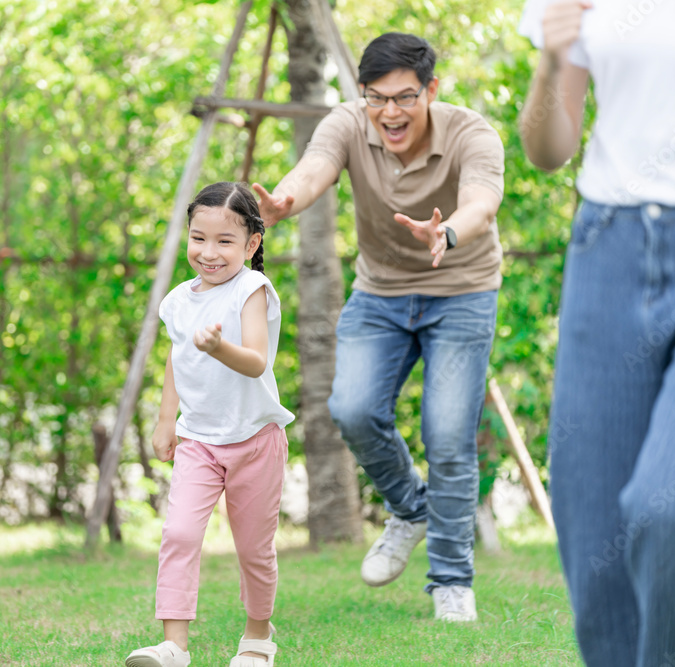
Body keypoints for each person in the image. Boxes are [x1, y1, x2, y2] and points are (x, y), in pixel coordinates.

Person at [253, 32, 505, 622]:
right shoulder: (348, 123)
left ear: (431, 91)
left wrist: (447, 232)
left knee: (447, 434)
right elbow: (314, 167)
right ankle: (410, 509)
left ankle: (450, 578)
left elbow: (483, 199)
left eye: (404, 97)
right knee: (353, 410)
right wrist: (287, 200)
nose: (389, 112)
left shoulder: (471, 132)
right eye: (376, 98)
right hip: (382, 292)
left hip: (462, 290)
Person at [519, 0, 675, 664]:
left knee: (662, 507)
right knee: (593, 533)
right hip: (608, 246)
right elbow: (548, 149)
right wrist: (553, 60)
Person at [126, 182, 295, 667]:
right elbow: (176, 360)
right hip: (199, 439)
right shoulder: (178, 301)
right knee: (178, 533)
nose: (209, 252)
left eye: (224, 241)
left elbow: (258, 361)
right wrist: (165, 421)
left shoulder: (253, 290)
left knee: (253, 551)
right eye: (198, 238)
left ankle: (257, 640)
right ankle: (173, 646)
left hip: (256, 441)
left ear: (251, 244)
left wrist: (220, 347)